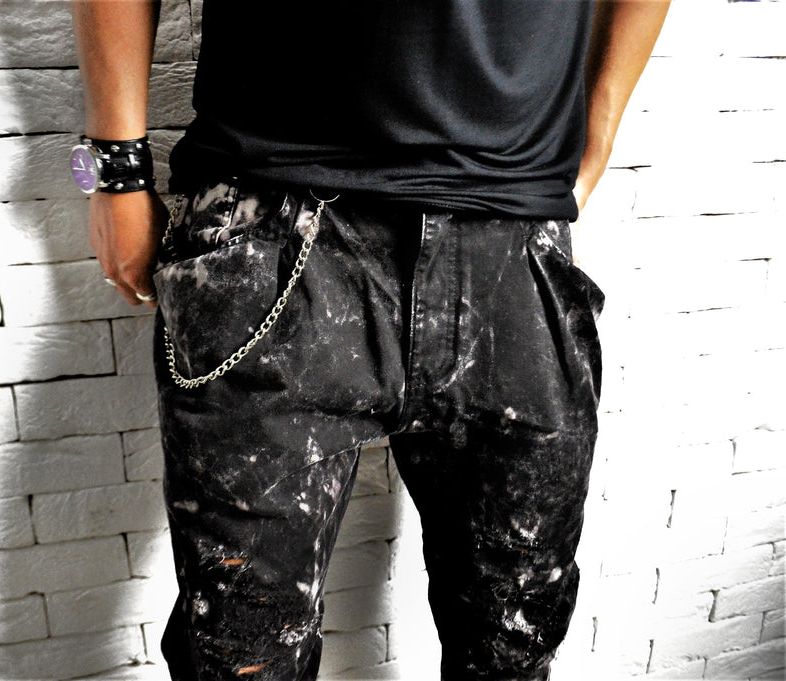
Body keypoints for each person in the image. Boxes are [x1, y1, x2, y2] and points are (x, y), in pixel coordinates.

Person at [71, 1, 670, 679]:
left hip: (514, 249)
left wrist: (600, 134)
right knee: (241, 657)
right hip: (275, 234)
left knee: (514, 649)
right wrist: (115, 169)